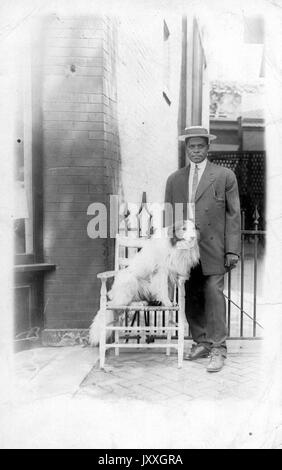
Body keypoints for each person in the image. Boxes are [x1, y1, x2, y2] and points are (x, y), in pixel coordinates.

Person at [165, 126, 241, 372]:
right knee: (192, 295)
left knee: (213, 293)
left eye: (200, 146)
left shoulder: (224, 176)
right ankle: (201, 341)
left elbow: (233, 216)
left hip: (213, 247)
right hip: (186, 251)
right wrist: (171, 251)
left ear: (208, 147)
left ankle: (218, 347)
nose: (195, 151)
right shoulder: (174, 179)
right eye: (191, 147)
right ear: (186, 148)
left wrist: (232, 250)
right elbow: (170, 218)